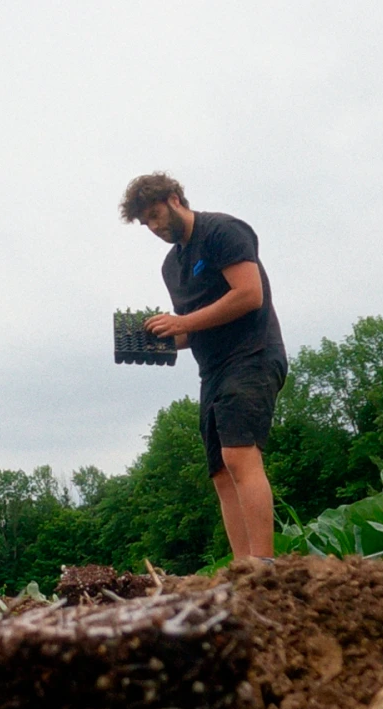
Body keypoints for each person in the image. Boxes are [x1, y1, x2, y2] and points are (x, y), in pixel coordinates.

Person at [120, 172, 286, 562]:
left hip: (253, 355)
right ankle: (244, 567)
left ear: (176, 199)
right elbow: (189, 330)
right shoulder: (171, 267)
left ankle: (264, 566)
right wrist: (152, 341)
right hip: (212, 370)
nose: (155, 227)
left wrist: (183, 323)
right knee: (220, 472)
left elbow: (249, 294)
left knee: (239, 455)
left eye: (157, 215)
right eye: (147, 223)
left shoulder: (221, 231)